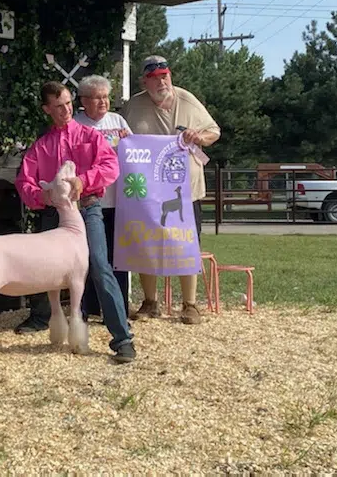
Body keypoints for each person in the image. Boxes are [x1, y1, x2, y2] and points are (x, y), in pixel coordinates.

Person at [14, 81, 136, 363]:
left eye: (68, 103)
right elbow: (24, 183)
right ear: (47, 109)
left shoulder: (90, 136)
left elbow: (109, 166)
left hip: (86, 207)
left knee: (98, 265)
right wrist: (44, 196)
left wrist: (83, 180)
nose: (66, 110)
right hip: (54, 213)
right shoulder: (40, 146)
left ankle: (122, 338)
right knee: (46, 268)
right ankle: (45, 319)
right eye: (58, 106)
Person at [120, 55, 220, 324]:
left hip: (186, 189)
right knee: (146, 242)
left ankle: (190, 304)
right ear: (144, 81)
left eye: (165, 75)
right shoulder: (132, 106)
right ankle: (150, 302)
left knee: (187, 242)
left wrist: (199, 137)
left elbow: (214, 131)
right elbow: (122, 136)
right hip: (148, 191)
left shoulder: (187, 100)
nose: (161, 81)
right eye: (154, 78)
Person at [73, 75, 131, 317]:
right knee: (90, 257)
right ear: (84, 100)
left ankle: (118, 309)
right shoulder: (76, 125)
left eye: (106, 97)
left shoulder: (118, 121)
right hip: (89, 202)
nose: (103, 102)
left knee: (118, 258)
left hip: (120, 201)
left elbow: (137, 152)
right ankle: (89, 308)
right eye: (97, 98)